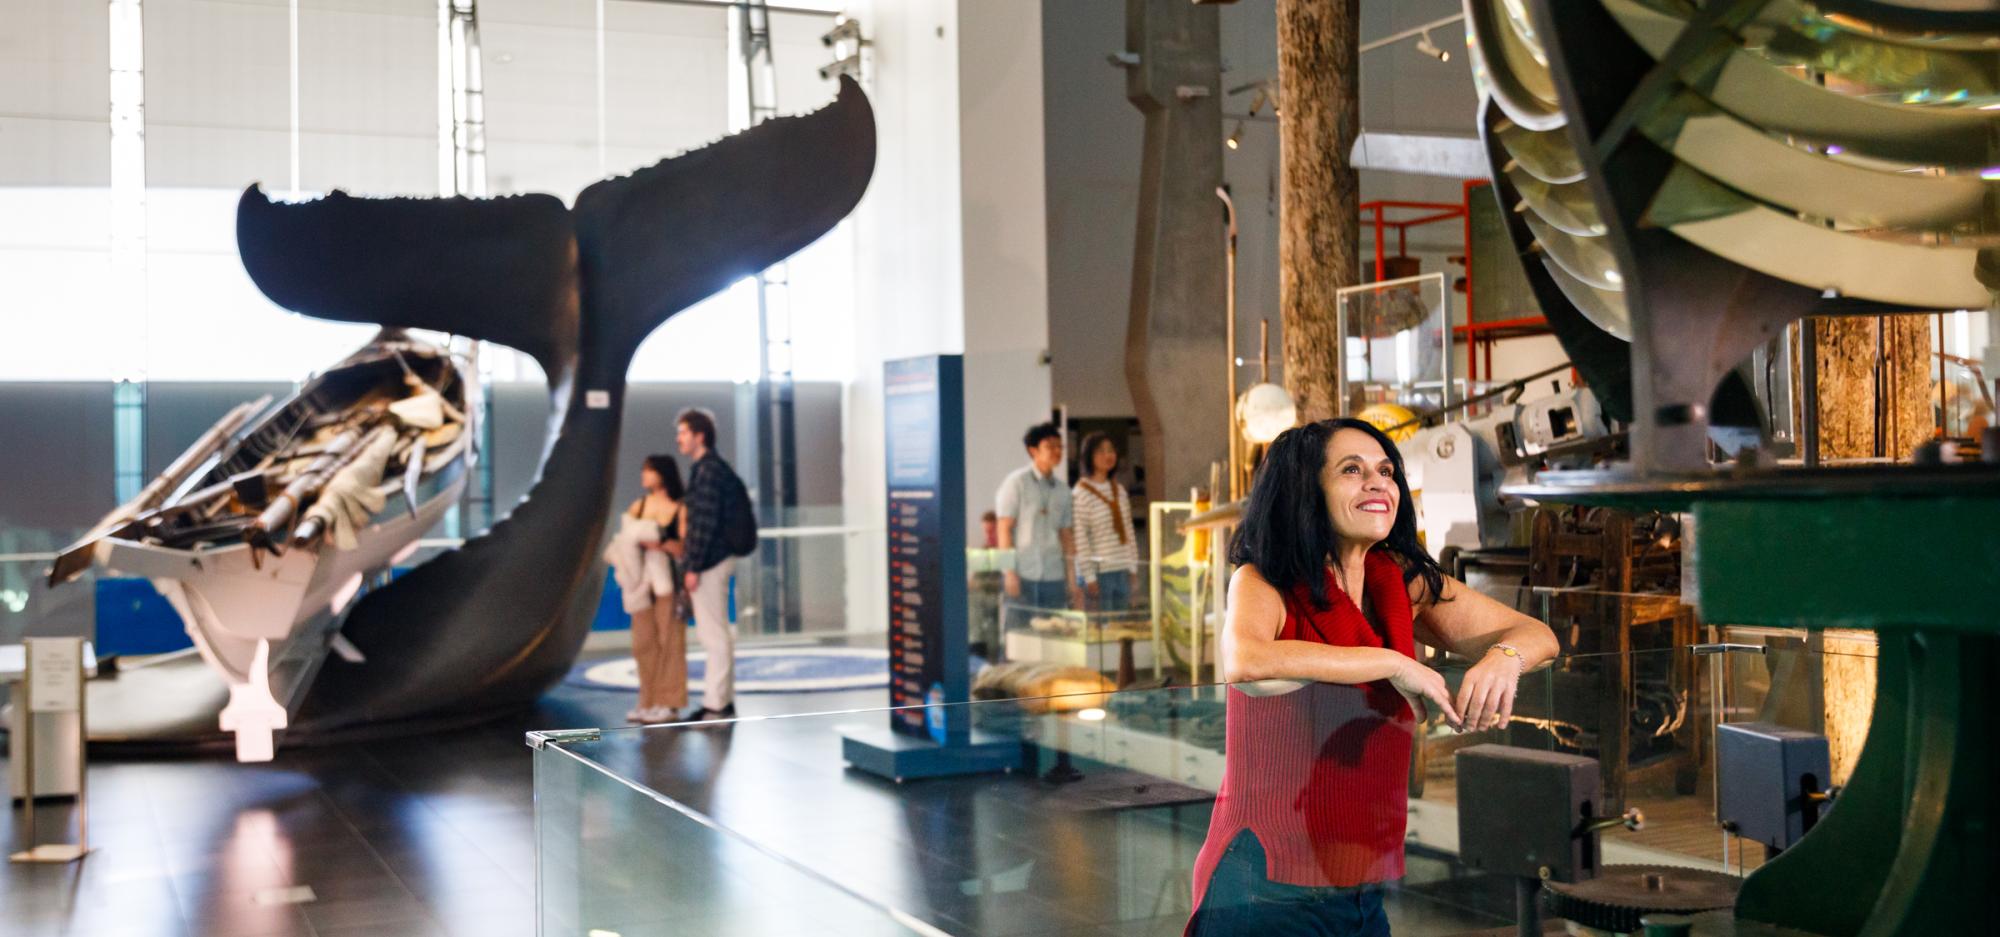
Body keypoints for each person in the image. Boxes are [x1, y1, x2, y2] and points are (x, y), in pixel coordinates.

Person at [1186, 418, 1559, 937]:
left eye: (1386, 471)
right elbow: (1247, 660)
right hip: (1266, 880)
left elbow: (1538, 634)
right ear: (1306, 488)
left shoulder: (1401, 580)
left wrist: (1504, 657)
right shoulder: (1264, 579)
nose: (1378, 483)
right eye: (1351, 471)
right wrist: (1395, 663)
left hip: (1361, 880)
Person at [676, 407, 757, 720]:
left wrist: (693, 566)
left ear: (700, 436)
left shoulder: (708, 471)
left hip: (710, 562)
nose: (679, 439)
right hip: (713, 560)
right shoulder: (709, 468)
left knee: (714, 635)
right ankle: (719, 698)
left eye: (683, 433)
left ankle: (716, 703)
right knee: (716, 632)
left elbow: (704, 523)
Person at [615, 455, 687, 724]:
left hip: (669, 582)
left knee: (670, 642)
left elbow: (683, 547)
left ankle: (669, 702)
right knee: (643, 643)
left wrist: (660, 544)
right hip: (640, 584)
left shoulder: (680, 508)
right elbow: (625, 539)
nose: (644, 476)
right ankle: (647, 699)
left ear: (663, 474)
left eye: (649, 471)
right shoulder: (639, 506)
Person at [995, 422, 1082, 635]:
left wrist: (1072, 581)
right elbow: (1004, 529)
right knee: (1017, 637)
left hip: (1054, 575)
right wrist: (1009, 573)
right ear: (1033, 450)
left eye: (1060, 446)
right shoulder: (1017, 483)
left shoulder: (1063, 490)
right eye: (1050, 446)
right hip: (1023, 573)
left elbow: (1066, 536)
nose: (1057, 451)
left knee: (1054, 638)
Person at [1070, 432, 1140, 611]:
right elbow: (1080, 539)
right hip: (1099, 573)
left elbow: (1129, 531)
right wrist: (1089, 577)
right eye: (1101, 451)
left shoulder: (1120, 490)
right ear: (1089, 456)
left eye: (1111, 450)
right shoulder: (1081, 493)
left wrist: (1133, 569)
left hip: (1122, 569)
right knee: (1100, 632)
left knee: (1121, 629)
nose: (1108, 455)